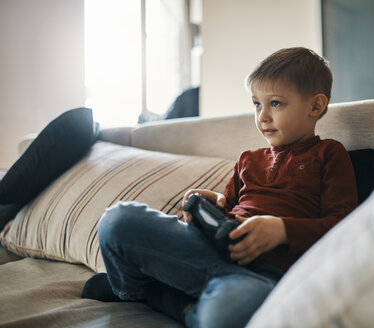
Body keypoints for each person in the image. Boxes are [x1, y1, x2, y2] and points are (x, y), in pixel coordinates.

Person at [81, 47, 358, 327]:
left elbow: (344, 226)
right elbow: (229, 203)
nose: (262, 116)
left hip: (259, 274)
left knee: (227, 316)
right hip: (204, 251)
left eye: (275, 103)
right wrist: (208, 203)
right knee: (118, 220)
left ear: (315, 106)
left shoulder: (329, 154)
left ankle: (160, 295)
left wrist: (281, 230)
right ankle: (131, 290)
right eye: (256, 104)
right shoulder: (248, 159)